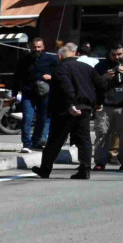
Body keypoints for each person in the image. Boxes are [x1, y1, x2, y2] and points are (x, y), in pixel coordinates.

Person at [40, 40, 97, 180]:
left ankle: (45, 169)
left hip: (65, 110)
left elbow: (67, 87)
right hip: (84, 108)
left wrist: (71, 104)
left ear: (60, 56)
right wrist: (98, 102)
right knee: (84, 140)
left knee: (55, 140)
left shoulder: (60, 68)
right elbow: (100, 83)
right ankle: (85, 169)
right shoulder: (87, 68)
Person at [20, 36, 56, 153]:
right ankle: (26, 143)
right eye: (34, 47)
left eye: (39, 47)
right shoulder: (25, 59)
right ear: (31, 47)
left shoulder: (51, 59)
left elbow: (60, 73)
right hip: (28, 92)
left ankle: (37, 141)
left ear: (43, 47)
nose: (37, 49)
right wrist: (15, 93)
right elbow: (18, 75)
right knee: (27, 117)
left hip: (44, 93)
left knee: (43, 118)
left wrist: (52, 77)